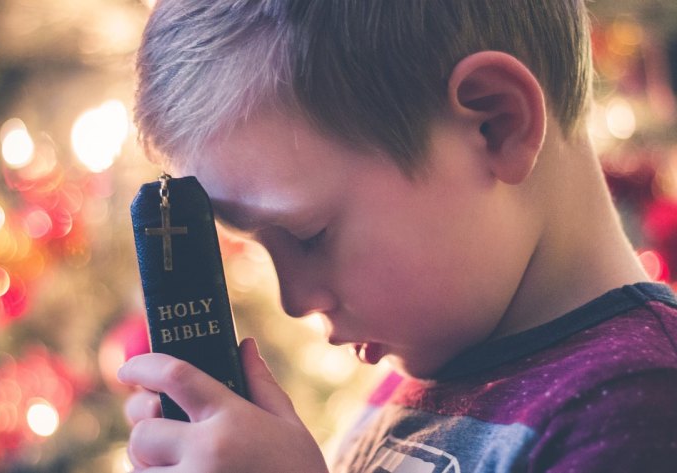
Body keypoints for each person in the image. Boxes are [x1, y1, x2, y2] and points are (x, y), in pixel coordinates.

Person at [117, 1, 677, 471]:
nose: (294, 301)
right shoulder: (420, 376)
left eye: (311, 236)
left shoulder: (639, 407)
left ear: (495, 124)